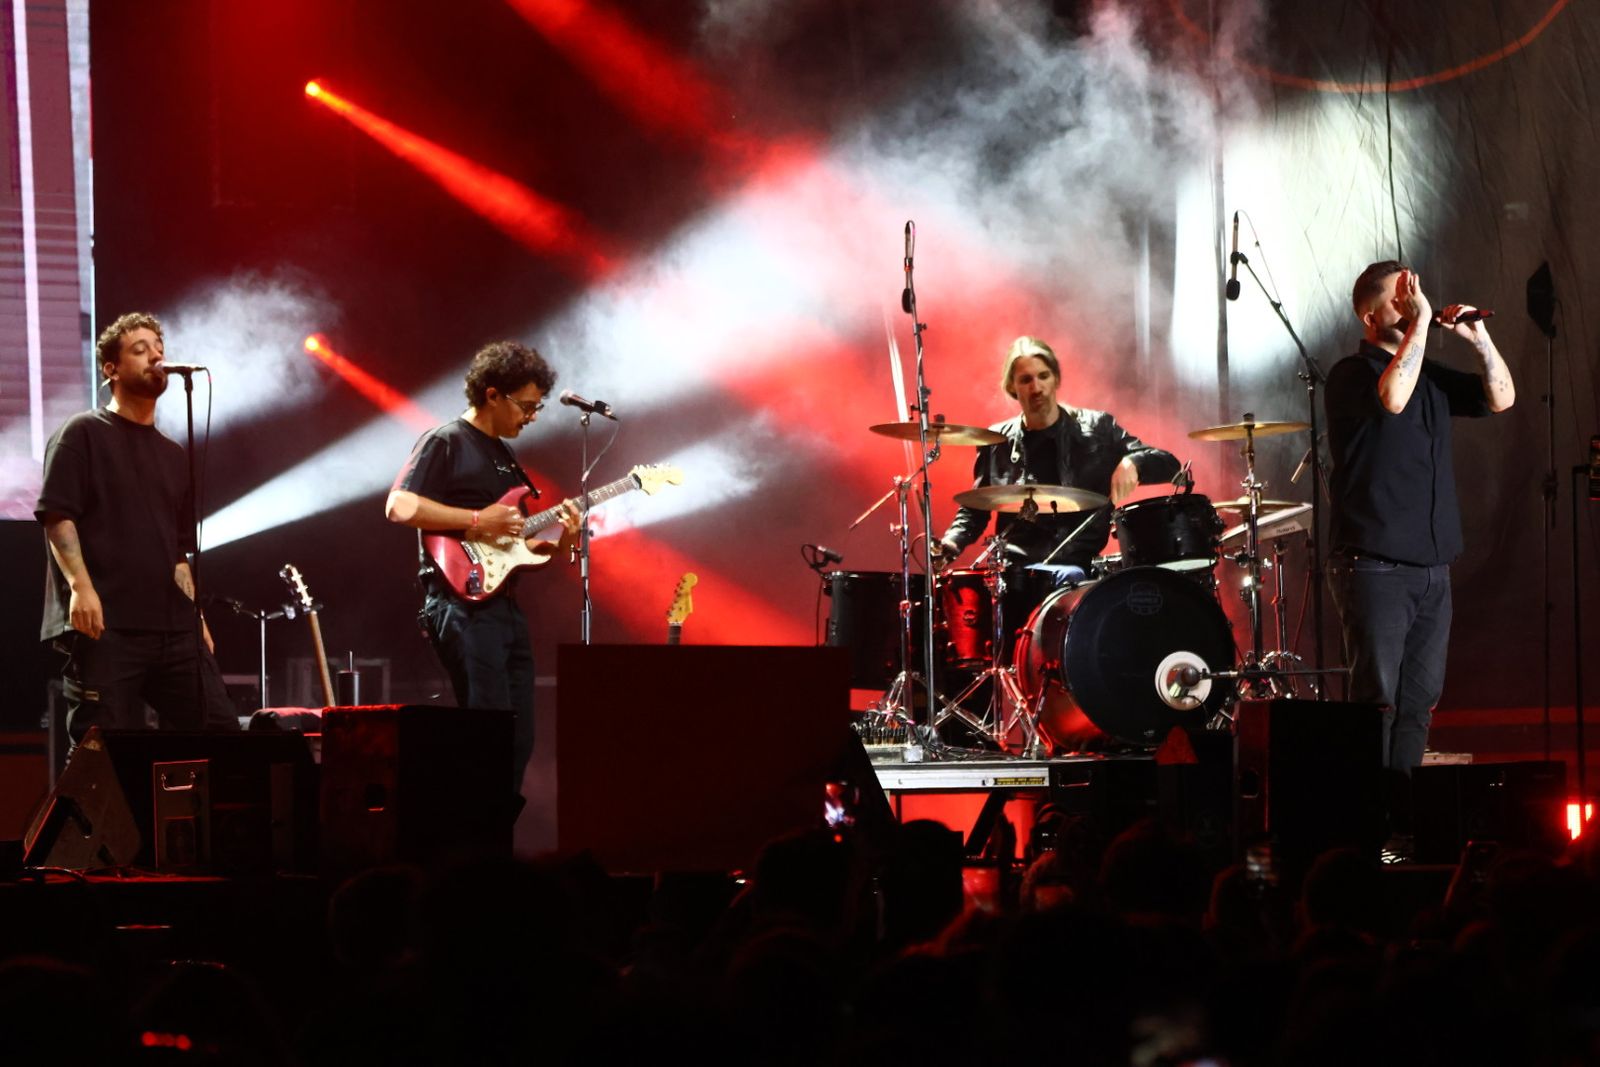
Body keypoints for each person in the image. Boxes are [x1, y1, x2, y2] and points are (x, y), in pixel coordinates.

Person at [1325, 262, 1514, 859]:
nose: (1411, 303)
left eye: (1414, 295)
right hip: (1374, 563)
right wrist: (1424, 321)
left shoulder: (1426, 369)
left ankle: (1403, 830)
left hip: (1432, 567)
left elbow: (1501, 399)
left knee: (1419, 702)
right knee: (1376, 700)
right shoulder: (1352, 373)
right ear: (1370, 314)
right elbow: (1393, 399)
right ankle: (1367, 831)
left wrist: (1478, 339)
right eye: (1398, 298)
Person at [386, 341, 580, 792]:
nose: (532, 416)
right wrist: (476, 519)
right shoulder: (446, 440)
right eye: (527, 406)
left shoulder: (505, 457)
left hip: (504, 607)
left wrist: (564, 535)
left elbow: (521, 549)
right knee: (487, 734)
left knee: (519, 739)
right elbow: (399, 506)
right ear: (493, 394)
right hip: (461, 605)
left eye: (538, 407)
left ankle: (495, 844)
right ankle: (470, 848)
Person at [35, 312, 238, 743]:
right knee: (101, 752)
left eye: (158, 349)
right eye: (139, 349)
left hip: (172, 628)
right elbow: (57, 516)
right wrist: (80, 587)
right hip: (107, 626)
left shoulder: (171, 453)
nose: (155, 357)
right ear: (111, 369)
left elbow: (177, 552)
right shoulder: (83, 432)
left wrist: (194, 614)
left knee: (219, 732)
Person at [935, 335, 1181, 583]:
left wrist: (1134, 463)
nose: (1036, 387)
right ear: (1012, 387)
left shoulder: (1098, 429)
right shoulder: (997, 441)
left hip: (1077, 568)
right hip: (1016, 570)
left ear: (1056, 379)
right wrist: (950, 543)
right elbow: (976, 510)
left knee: (1068, 578)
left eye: (1043, 376)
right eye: (1026, 380)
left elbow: (1169, 464)